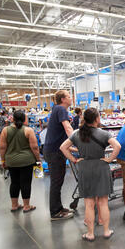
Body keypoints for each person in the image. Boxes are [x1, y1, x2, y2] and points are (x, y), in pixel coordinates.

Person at [60, 108, 120, 241]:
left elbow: (63, 147)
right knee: (103, 203)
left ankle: (90, 233)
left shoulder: (76, 134)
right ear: (97, 119)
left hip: (85, 168)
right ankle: (106, 231)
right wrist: (109, 159)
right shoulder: (104, 134)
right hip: (101, 167)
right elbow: (118, 146)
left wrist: (74, 159)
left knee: (89, 204)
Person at [0, 111, 41, 213]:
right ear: (23, 119)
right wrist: (38, 160)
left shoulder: (5, 130)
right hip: (27, 161)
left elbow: (2, 147)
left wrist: (3, 160)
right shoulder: (28, 130)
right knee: (25, 183)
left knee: (14, 182)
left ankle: (14, 205)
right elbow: (35, 147)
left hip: (11, 161)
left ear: (12, 119)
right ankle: (26, 206)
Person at [43, 90, 75, 221]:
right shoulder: (61, 109)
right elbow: (68, 128)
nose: (71, 98)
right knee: (56, 182)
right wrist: (78, 140)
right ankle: (55, 212)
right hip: (54, 152)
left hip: (55, 150)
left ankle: (59, 207)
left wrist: (72, 147)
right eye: (68, 96)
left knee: (58, 181)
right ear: (62, 99)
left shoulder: (57, 109)